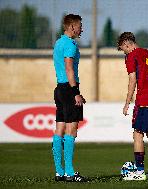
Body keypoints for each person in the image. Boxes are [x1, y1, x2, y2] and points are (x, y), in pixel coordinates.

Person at [117, 32, 148, 180]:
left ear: (127, 43)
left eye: (122, 49)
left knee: (138, 134)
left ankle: (139, 172)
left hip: (144, 101)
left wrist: (127, 103)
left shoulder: (132, 56)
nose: (123, 52)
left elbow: (132, 80)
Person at [52, 14, 86, 182]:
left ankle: (59, 171)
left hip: (59, 89)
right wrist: (75, 92)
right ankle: (70, 173)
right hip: (69, 89)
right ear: (72, 27)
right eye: (80, 25)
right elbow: (69, 68)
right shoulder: (70, 44)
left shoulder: (58, 42)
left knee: (59, 129)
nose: (82, 29)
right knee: (72, 129)